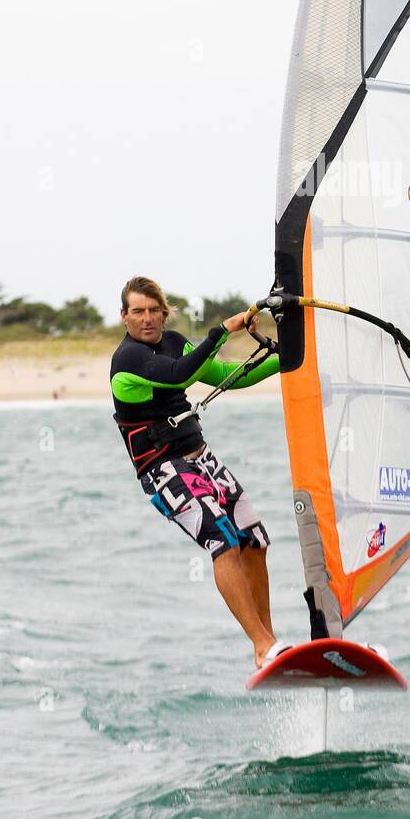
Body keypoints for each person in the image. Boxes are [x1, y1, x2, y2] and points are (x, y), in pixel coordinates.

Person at [110, 275, 288, 669]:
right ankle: (259, 644)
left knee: (254, 538)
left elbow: (226, 374)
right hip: (163, 469)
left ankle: (271, 644)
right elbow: (179, 374)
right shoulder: (127, 360)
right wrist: (223, 330)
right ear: (123, 316)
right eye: (137, 311)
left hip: (201, 457)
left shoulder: (174, 343)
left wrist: (289, 358)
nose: (147, 319)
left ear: (164, 313)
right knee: (222, 539)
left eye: (154, 310)